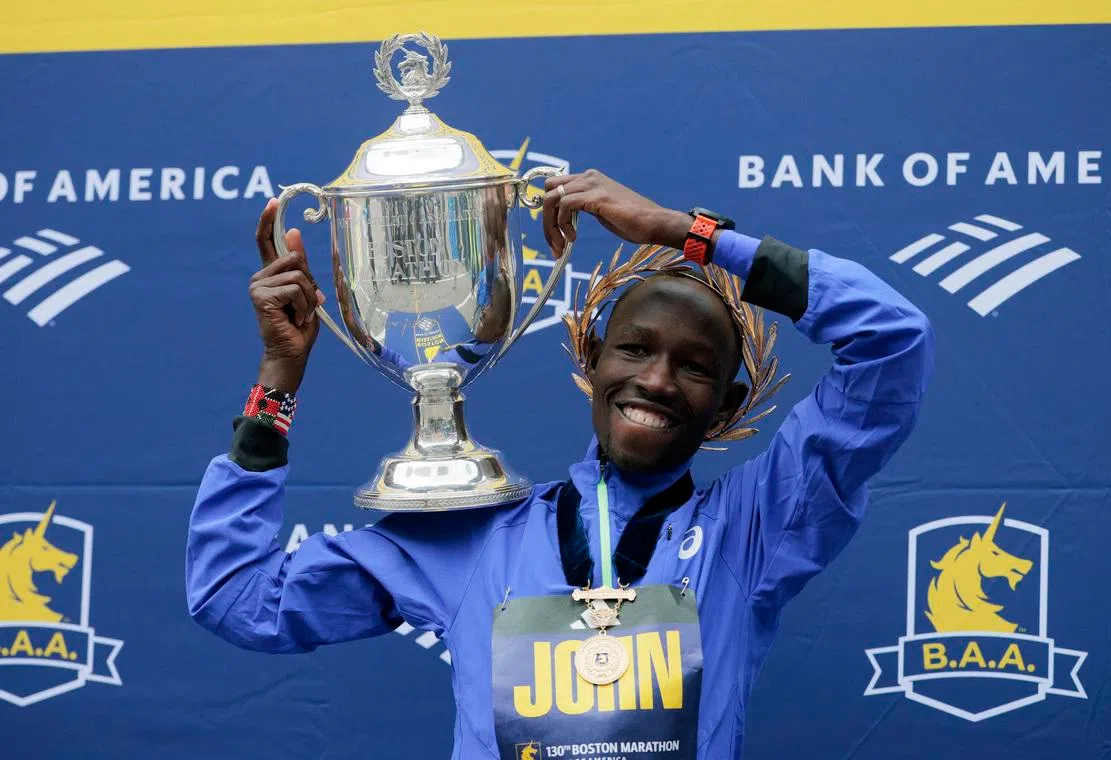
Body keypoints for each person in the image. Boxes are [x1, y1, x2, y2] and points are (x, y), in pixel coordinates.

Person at [186, 170, 934, 760]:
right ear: (591, 357)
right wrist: (278, 379)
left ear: (728, 402)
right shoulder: (479, 537)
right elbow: (237, 598)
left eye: (695, 367)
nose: (658, 380)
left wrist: (689, 234)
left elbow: (894, 342)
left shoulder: (759, 529)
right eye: (635, 348)